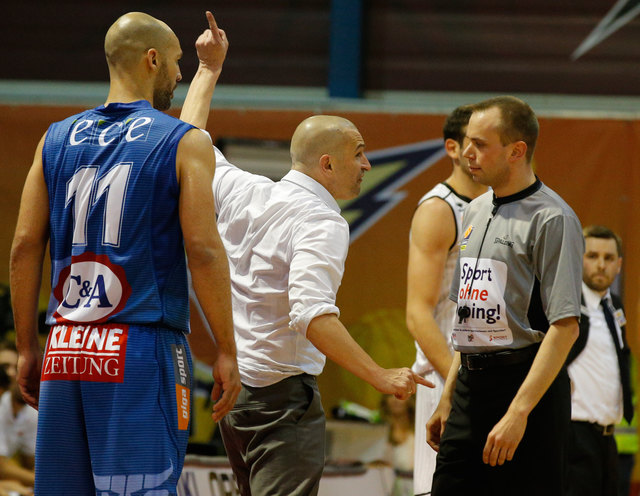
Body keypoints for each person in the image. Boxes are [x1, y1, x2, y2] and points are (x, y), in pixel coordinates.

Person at [179, 27, 432, 496]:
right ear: (327, 165)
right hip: (280, 402)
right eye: (358, 153)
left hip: (236, 395)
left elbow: (190, 140)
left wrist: (207, 69)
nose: (368, 164)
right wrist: (378, 375)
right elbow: (311, 314)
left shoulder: (247, 192)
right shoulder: (323, 223)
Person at [9, 11, 240, 494]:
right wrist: (226, 348)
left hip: (65, 349)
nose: (180, 74)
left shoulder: (53, 138)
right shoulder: (182, 143)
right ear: (152, 59)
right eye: (177, 63)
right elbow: (202, 249)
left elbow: (25, 247)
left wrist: (29, 346)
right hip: (138, 348)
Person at [426, 96, 583, 496]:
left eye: (480, 144)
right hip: (468, 389)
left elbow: (564, 326)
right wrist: (449, 396)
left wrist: (518, 412)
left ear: (517, 151)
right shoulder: (473, 210)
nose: (467, 154)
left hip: (525, 390)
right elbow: (471, 315)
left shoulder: (553, 218)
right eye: (465, 142)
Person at [405, 104, 488, 496]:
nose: (480, 154)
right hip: (446, 377)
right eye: (474, 143)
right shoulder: (439, 209)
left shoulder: (498, 206)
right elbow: (418, 314)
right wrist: (458, 382)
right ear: (452, 148)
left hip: (488, 374)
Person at [565, 225, 634, 496]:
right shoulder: (566, 304)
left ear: (618, 265)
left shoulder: (615, 305)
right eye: (592, 256)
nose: (601, 265)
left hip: (608, 436)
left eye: (608, 258)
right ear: (578, 257)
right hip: (573, 436)